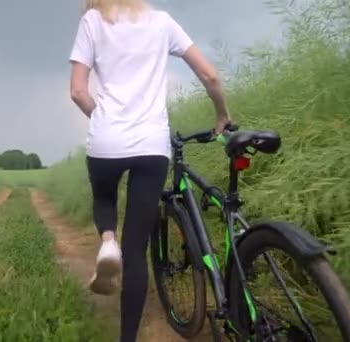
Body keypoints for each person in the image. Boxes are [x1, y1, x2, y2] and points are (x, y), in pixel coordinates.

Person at [68, 0, 231, 340]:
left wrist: (104, 122)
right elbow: (209, 74)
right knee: (137, 250)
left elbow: (78, 92)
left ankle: (107, 241)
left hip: (106, 142)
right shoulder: (162, 22)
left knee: (105, 199)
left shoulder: (93, 22)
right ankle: (127, 337)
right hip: (151, 146)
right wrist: (221, 115)